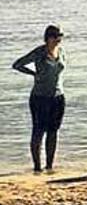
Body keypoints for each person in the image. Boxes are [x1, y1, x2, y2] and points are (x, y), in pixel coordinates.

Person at [12, 25, 67, 173]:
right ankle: (37, 167)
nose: (59, 40)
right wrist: (33, 74)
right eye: (56, 36)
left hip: (58, 96)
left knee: (53, 131)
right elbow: (17, 64)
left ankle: (49, 166)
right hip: (40, 97)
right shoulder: (39, 52)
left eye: (60, 36)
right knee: (38, 131)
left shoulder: (61, 52)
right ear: (48, 37)